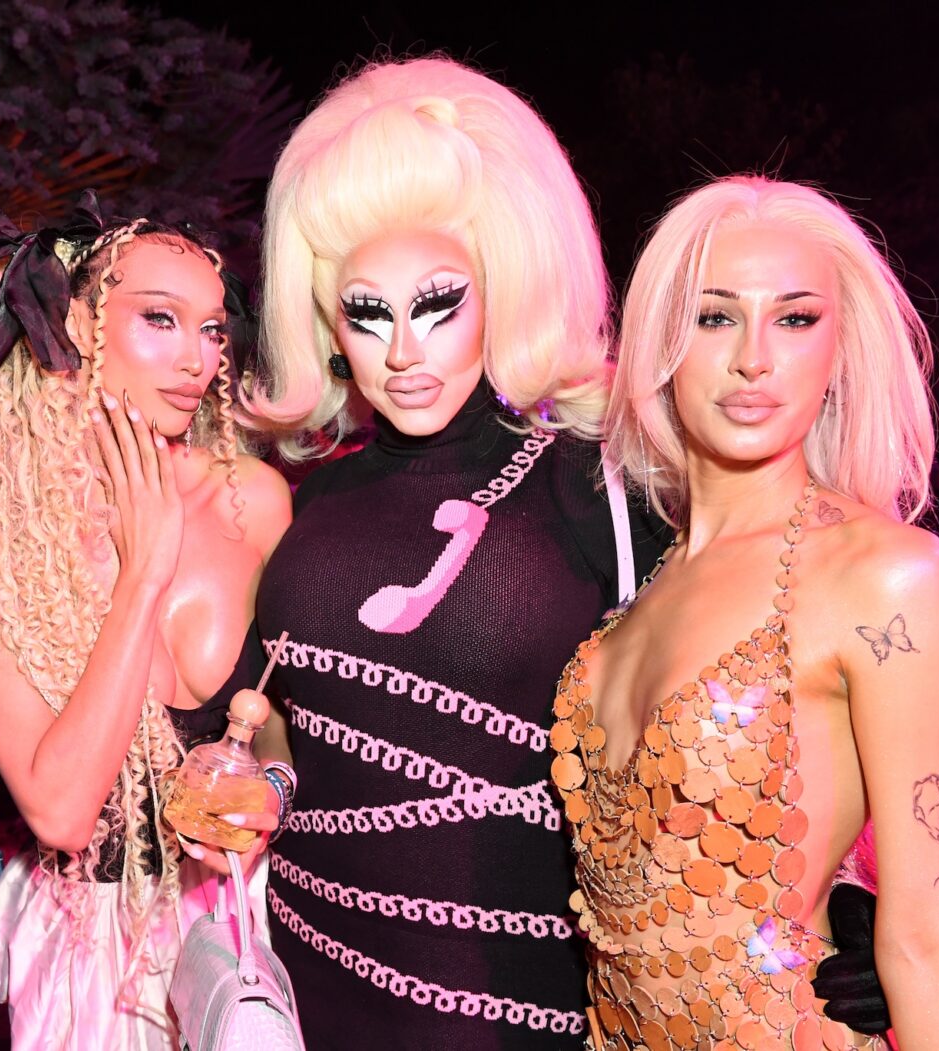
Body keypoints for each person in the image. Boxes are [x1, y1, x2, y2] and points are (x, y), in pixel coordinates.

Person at [244, 57, 669, 1049]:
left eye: (438, 302)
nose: (404, 349)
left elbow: (745, 708)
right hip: (304, 993)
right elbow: (269, 726)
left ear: (500, 287)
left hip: (523, 1012)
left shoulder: (601, 486)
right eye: (367, 311)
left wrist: (836, 887)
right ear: (324, 318)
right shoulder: (307, 504)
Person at [552, 175, 939, 1048]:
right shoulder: (640, 581)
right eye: (715, 317)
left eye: (795, 319)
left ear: (838, 349)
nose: (754, 357)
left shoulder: (885, 578)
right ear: (661, 344)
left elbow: (932, 933)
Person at [0, 198, 291, 1049]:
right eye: (161, 320)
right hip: (93, 950)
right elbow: (59, 809)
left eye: (213, 331)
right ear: (77, 319)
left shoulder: (254, 499)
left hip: (241, 930)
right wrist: (144, 572)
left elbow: (285, 709)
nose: (197, 357)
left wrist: (271, 784)